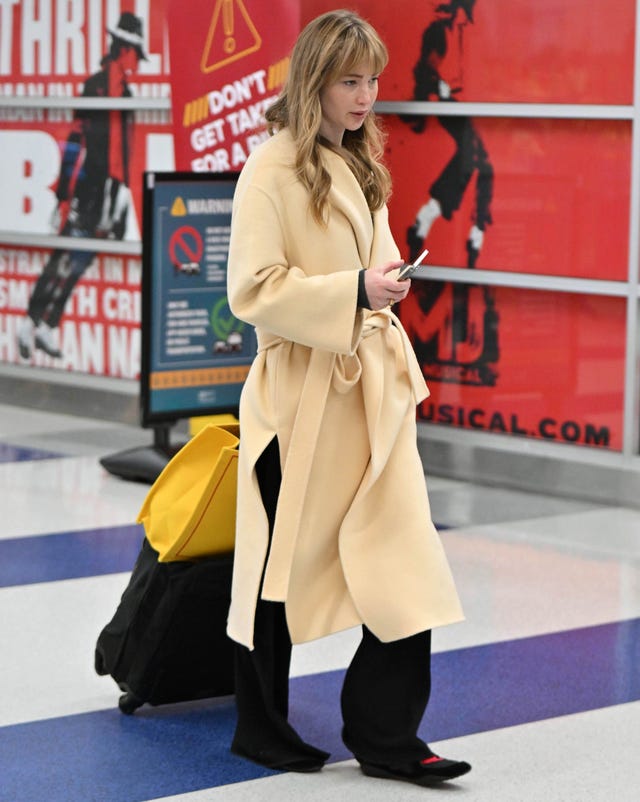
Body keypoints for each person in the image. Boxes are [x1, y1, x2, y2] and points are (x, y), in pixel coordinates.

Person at [226, 9, 471, 788]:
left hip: (365, 396)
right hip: (297, 405)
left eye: (372, 80)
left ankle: (390, 736)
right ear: (315, 82)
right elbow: (252, 289)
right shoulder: (270, 168)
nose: (366, 96)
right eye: (349, 81)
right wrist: (355, 290)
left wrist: (385, 284)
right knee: (274, 577)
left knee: (406, 556)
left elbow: (372, 265)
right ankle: (261, 729)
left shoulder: (360, 164)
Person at [17, 12, 146, 360]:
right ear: (124, 50)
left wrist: (122, 199)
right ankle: (31, 319)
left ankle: (49, 324)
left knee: (81, 260)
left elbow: (128, 153)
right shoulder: (95, 86)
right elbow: (75, 141)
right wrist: (64, 195)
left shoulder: (129, 94)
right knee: (63, 257)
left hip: (111, 193)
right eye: (135, 52)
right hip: (87, 189)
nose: (136, 61)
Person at [404, 0, 493, 269]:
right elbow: (425, 68)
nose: (469, 19)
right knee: (476, 155)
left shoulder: (462, 33)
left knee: (480, 160)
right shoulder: (439, 31)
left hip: (448, 101)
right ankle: (470, 228)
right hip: (434, 99)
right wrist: (440, 90)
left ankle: (430, 216)